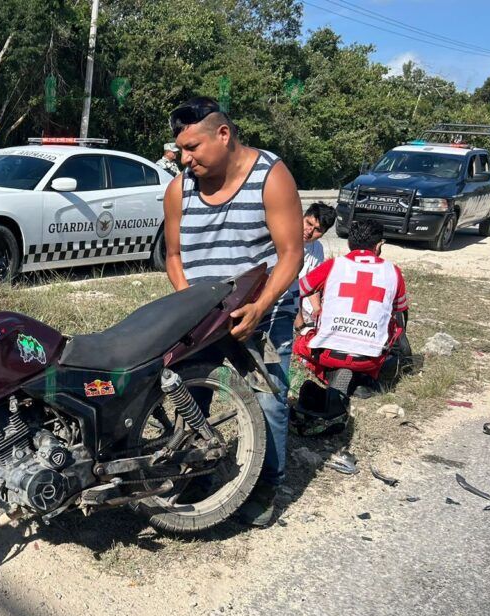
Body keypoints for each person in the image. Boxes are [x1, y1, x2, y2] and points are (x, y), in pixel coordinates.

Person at [161, 96, 303, 527]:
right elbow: (173, 255)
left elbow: (291, 253)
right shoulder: (179, 189)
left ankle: (266, 486)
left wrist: (260, 306)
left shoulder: (270, 177)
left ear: (223, 135)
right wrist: (188, 303)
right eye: (181, 149)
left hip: (264, 310)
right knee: (190, 394)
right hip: (202, 315)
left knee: (269, 398)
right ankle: (197, 472)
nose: (184, 159)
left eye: (192, 148)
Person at [293, 219, 408, 419]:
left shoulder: (332, 266)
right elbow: (401, 313)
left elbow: (295, 291)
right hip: (370, 359)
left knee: (300, 347)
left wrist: (301, 326)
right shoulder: (393, 272)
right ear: (379, 245)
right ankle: (363, 378)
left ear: (348, 244)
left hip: (329, 354)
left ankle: (329, 375)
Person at [294, 202, 336, 332]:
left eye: (317, 229)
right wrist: (300, 325)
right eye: (309, 223)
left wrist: (318, 309)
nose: (310, 231)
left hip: (303, 306)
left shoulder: (317, 248)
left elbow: (312, 284)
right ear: (302, 218)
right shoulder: (284, 240)